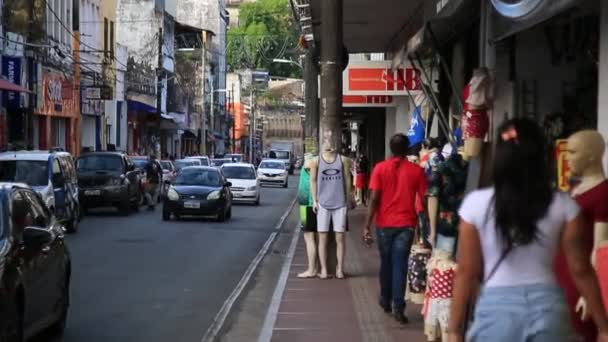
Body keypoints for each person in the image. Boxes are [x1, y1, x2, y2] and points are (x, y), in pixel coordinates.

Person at [447, 118, 608, 342]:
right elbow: (580, 268)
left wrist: (453, 330)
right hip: (548, 309)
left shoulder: (475, 204)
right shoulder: (563, 204)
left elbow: (466, 271)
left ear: (499, 157)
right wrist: (603, 327)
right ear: (540, 157)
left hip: (496, 312)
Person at [363, 133, 428, 324]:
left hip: (384, 224)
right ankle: (398, 307)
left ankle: (385, 300)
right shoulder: (416, 171)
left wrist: (367, 225)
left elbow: (374, 198)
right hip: (406, 225)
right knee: (400, 264)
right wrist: (423, 226)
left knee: (386, 262)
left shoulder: (380, 169)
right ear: (408, 149)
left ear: (391, 149)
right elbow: (423, 200)